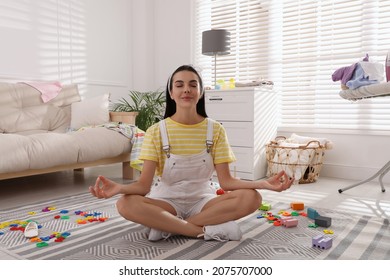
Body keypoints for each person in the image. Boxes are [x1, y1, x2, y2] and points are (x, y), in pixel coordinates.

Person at [89, 65, 294, 242]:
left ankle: (168, 226)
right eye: (179, 85)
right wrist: (119, 189)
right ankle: (201, 231)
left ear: (201, 91)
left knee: (252, 198)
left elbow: (227, 183)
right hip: (166, 200)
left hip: (204, 201)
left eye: (193, 85)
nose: (186, 89)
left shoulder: (215, 130)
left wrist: (264, 184)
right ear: (171, 92)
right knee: (125, 203)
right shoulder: (156, 131)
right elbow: (143, 186)